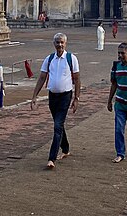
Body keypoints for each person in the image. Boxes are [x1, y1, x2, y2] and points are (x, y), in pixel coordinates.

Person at [31, 33, 81, 169]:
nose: (60, 45)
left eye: (62, 42)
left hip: (66, 95)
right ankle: (65, 148)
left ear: (65, 44)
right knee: (58, 124)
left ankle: (51, 158)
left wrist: (76, 98)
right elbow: (42, 77)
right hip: (52, 96)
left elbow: (77, 79)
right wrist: (34, 96)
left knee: (57, 126)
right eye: (57, 42)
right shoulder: (49, 59)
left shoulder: (71, 58)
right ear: (54, 44)